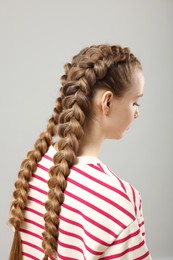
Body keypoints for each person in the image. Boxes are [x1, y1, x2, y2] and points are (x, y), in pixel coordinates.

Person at [9, 44, 151, 260]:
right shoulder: (119, 200)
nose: (137, 113)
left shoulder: (33, 168)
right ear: (108, 102)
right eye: (135, 102)